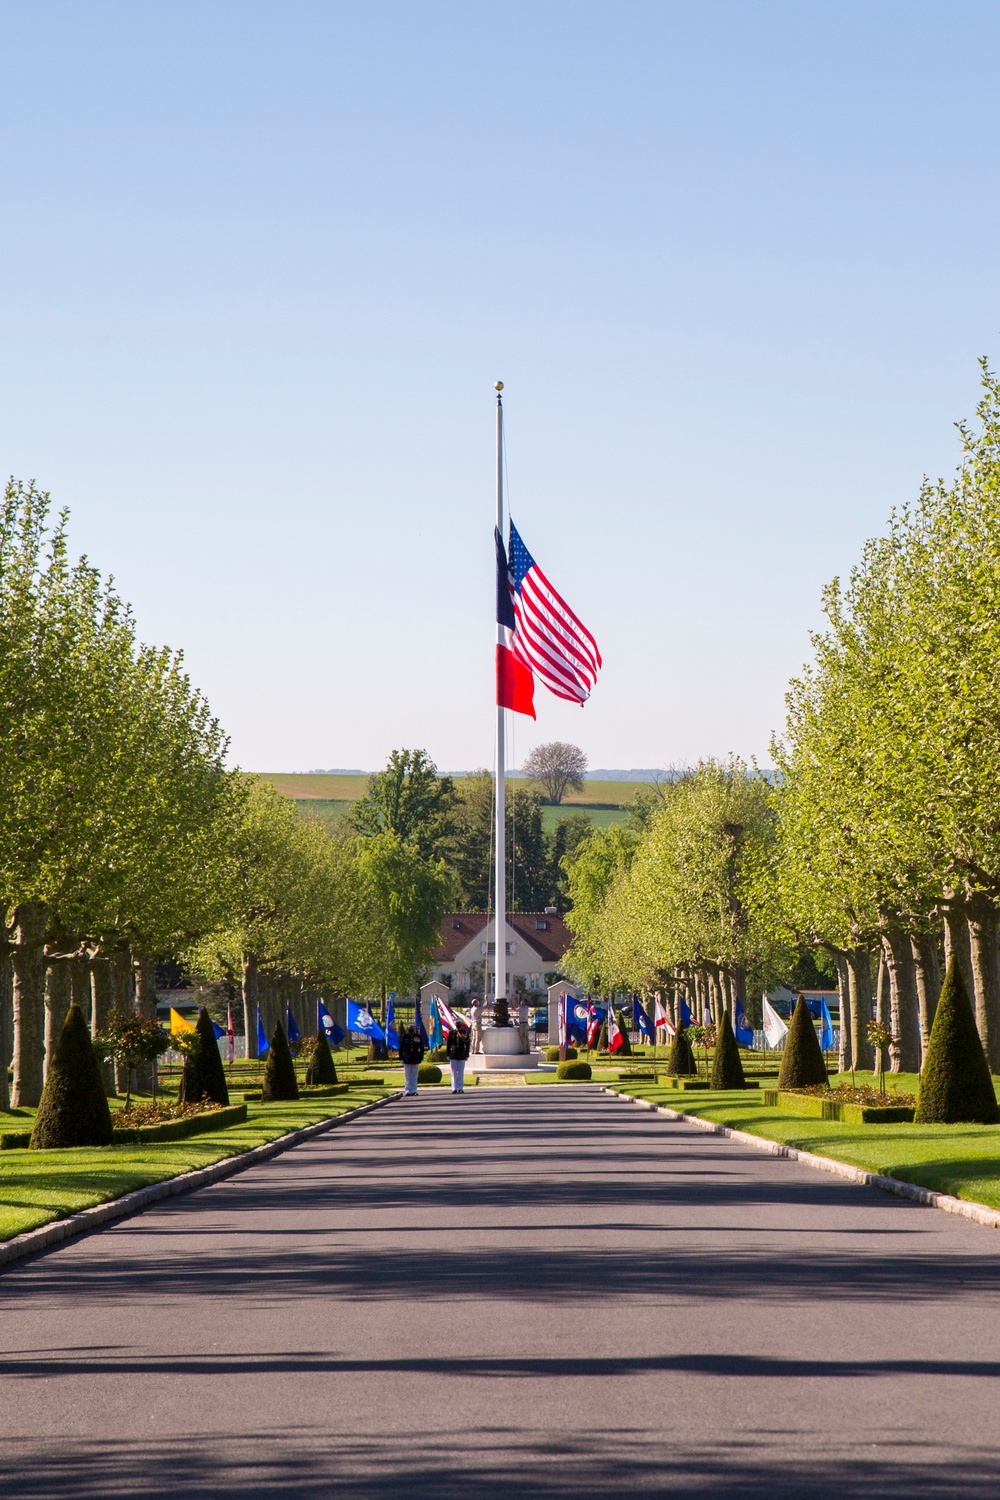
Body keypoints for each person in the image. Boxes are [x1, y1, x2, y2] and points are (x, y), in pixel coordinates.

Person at [398, 1023, 425, 1096]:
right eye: (410, 1028)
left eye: (412, 1028)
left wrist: (421, 1057)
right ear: (407, 1029)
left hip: (415, 1058)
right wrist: (401, 1057)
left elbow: (421, 1048)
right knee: (407, 1076)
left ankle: (414, 1090)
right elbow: (401, 1048)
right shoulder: (404, 1037)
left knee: (414, 1075)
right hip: (407, 1058)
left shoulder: (417, 1037)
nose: (411, 1029)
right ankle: (407, 1090)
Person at [446, 1021, 471, 1093]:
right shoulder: (451, 1033)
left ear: (461, 1025)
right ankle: (454, 1088)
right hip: (453, 1054)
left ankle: (460, 1088)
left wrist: (466, 1055)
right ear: (455, 1025)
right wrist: (448, 1054)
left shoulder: (465, 1033)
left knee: (460, 1073)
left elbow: (467, 1045)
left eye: (459, 1024)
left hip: (461, 1054)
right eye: (457, 1024)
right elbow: (448, 1045)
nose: (458, 1025)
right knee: (453, 1073)